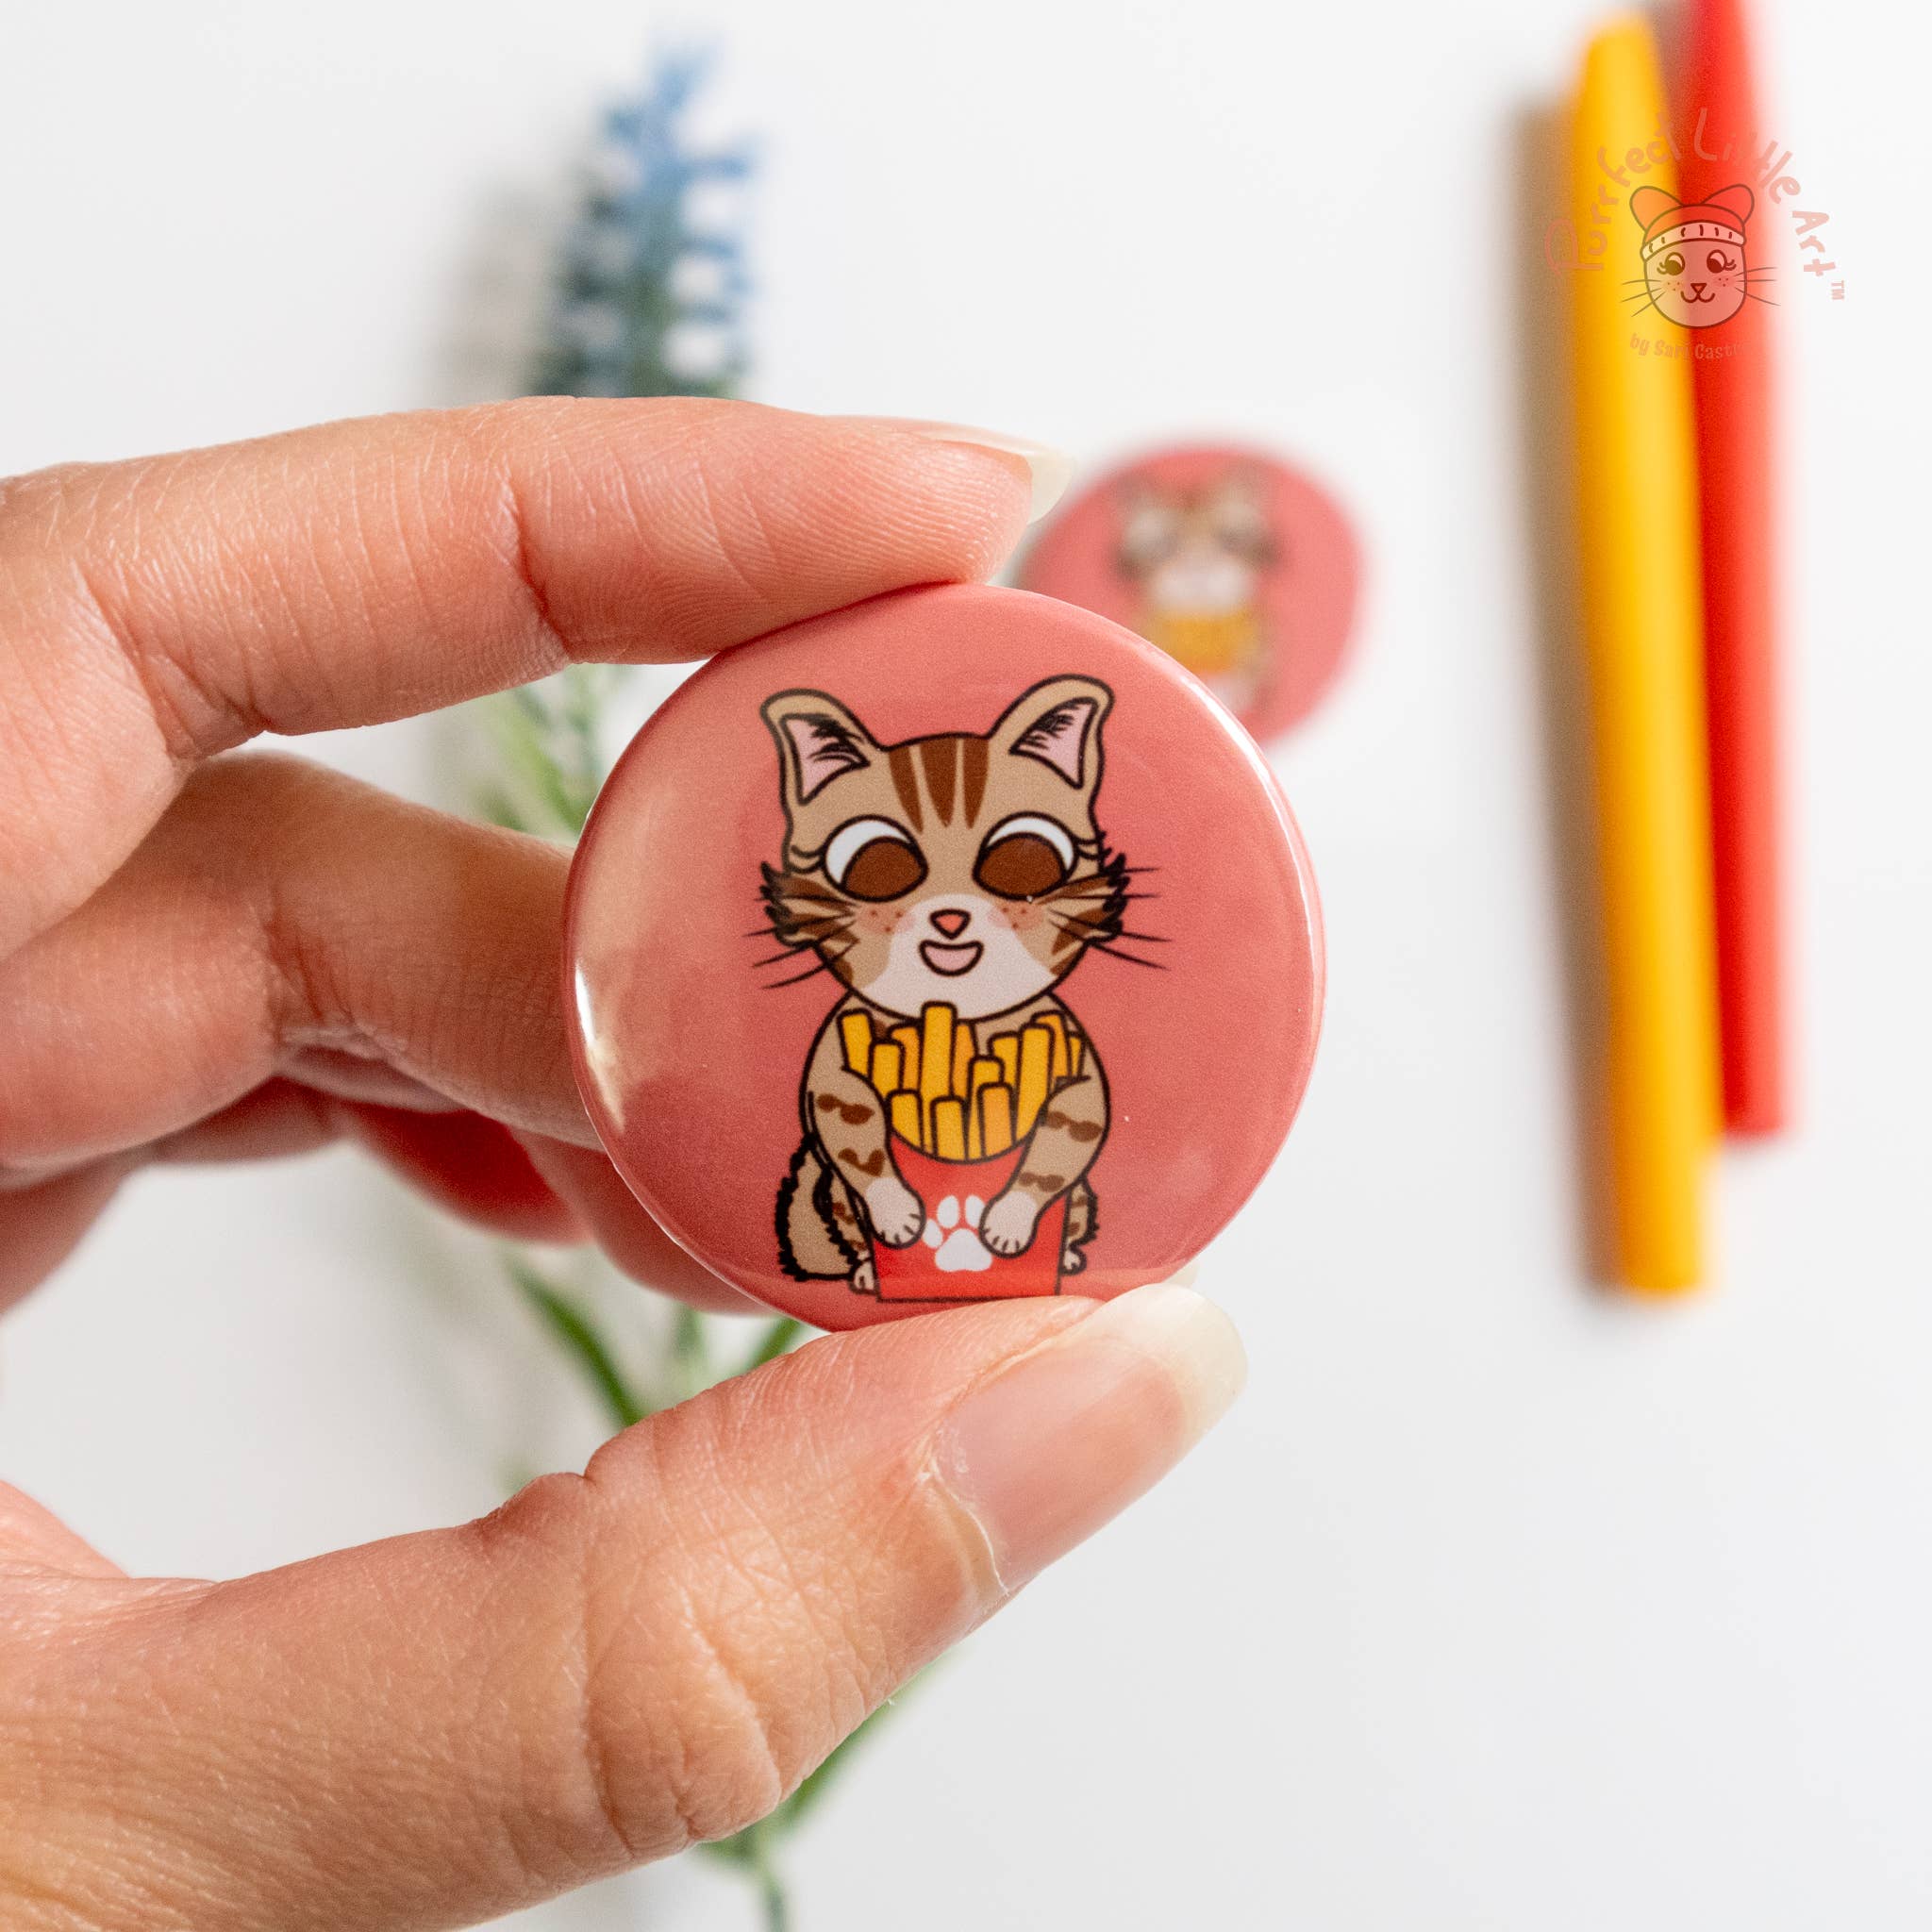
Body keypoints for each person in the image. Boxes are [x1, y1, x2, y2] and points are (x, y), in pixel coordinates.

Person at [0, 399, 1244, 1929]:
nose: (946, 914)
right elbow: (835, 1130)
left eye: (1017, 864)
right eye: (876, 865)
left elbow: (1075, 1126)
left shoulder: (1052, 1050)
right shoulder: (847, 1054)